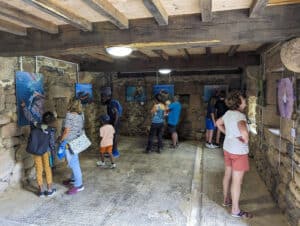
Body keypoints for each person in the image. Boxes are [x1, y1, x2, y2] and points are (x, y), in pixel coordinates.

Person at [216, 90, 253, 219]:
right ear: (238, 102)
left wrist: (228, 133)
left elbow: (217, 123)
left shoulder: (228, 113)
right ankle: (235, 210)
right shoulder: (240, 117)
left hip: (228, 148)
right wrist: (246, 139)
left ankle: (226, 199)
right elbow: (243, 131)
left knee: (227, 174)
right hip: (239, 152)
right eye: (243, 99)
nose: (245, 101)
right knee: (237, 182)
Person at [26, 111, 57, 197]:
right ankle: (50, 189)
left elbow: (29, 117)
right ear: (51, 121)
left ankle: (41, 190)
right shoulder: (51, 130)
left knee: (38, 168)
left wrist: (24, 107)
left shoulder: (35, 125)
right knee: (47, 168)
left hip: (36, 151)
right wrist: (53, 155)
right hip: (46, 151)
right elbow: (52, 144)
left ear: (42, 119)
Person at [60, 99, 85, 195]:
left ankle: (79, 185)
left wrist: (61, 139)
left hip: (70, 143)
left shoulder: (69, 116)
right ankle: (73, 179)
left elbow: (66, 131)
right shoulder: (81, 115)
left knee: (74, 163)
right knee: (75, 160)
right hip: (77, 141)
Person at [101, 87, 122, 158]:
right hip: (113, 121)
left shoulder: (113, 103)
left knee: (114, 137)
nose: (102, 98)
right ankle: (111, 151)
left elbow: (117, 114)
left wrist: (114, 124)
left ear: (108, 96)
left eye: (103, 96)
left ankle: (115, 152)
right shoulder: (109, 103)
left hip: (116, 122)